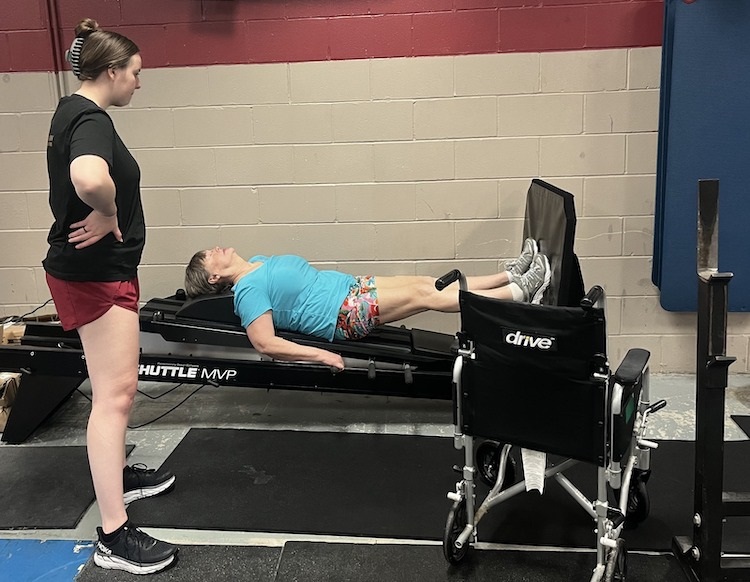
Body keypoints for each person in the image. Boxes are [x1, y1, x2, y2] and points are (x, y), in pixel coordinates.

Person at [43, 18, 178, 574]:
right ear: (112, 71)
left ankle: (115, 475)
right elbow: (88, 177)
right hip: (95, 278)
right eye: (136, 74)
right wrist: (108, 210)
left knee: (109, 392)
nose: (139, 84)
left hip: (98, 272)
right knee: (115, 397)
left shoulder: (68, 110)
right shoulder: (90, 118)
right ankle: (114, 536)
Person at [184, 239, 551, 371]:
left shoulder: (258, 261)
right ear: (214, 278)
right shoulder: (247, 291)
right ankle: (519, 295)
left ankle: (508, 278)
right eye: (209, 257)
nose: (216, 249)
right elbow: (264, 343)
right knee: (429, 296)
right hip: (343, 313)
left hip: (350, 288)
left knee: (428, 283)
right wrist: (321, 356)